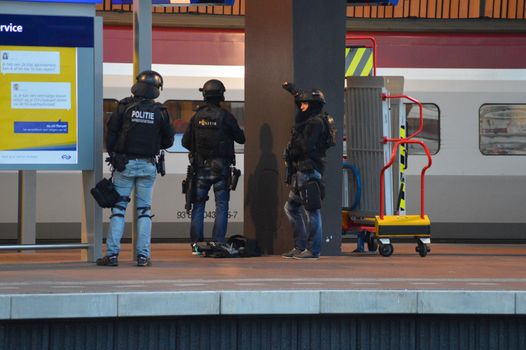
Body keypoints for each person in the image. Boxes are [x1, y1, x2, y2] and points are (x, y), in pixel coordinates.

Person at [96, 70, 174, 267]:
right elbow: (169, 140)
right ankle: (142, 256)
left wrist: (115, 155)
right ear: (156, 89)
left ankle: (112, 255)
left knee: (118, 210)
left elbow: (111, 134)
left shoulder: (124, 107)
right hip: (148, 165)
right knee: (144, 211)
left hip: (125, 165)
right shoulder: (161, 111)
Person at [182, 79, 245, 251]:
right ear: (221, 96)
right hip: (221, 168)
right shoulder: (226, 116)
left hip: (200, 168)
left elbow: (185, 142)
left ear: (204, 95)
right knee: (222, 205)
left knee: (198, 205)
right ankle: (218, 242)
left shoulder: (196, 117)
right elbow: (241, 139)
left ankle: (196, 245)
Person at [281, 83, 333, 260]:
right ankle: (300, 246)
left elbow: (306, 146)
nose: (301, 107)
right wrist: (293, 91)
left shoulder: (315, 123)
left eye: (305, 104)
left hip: (309, 170)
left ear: (313, 105)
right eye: (300, 103)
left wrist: (294, 144)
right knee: (291, 207)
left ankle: (313, 250)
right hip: (302, 172)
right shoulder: (310, 121)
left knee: (312, 211)